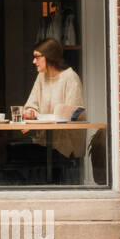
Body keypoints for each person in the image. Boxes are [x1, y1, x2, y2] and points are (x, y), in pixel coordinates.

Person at [21, 38, 86, 176]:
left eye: (37, 57)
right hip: (45, 145)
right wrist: (31, 112)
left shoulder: (70, 77)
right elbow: (30, 105)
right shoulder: (41, 77)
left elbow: (73, 115)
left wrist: (39, 117)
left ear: (49, 56)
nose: (34, 61)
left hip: (65, 149)